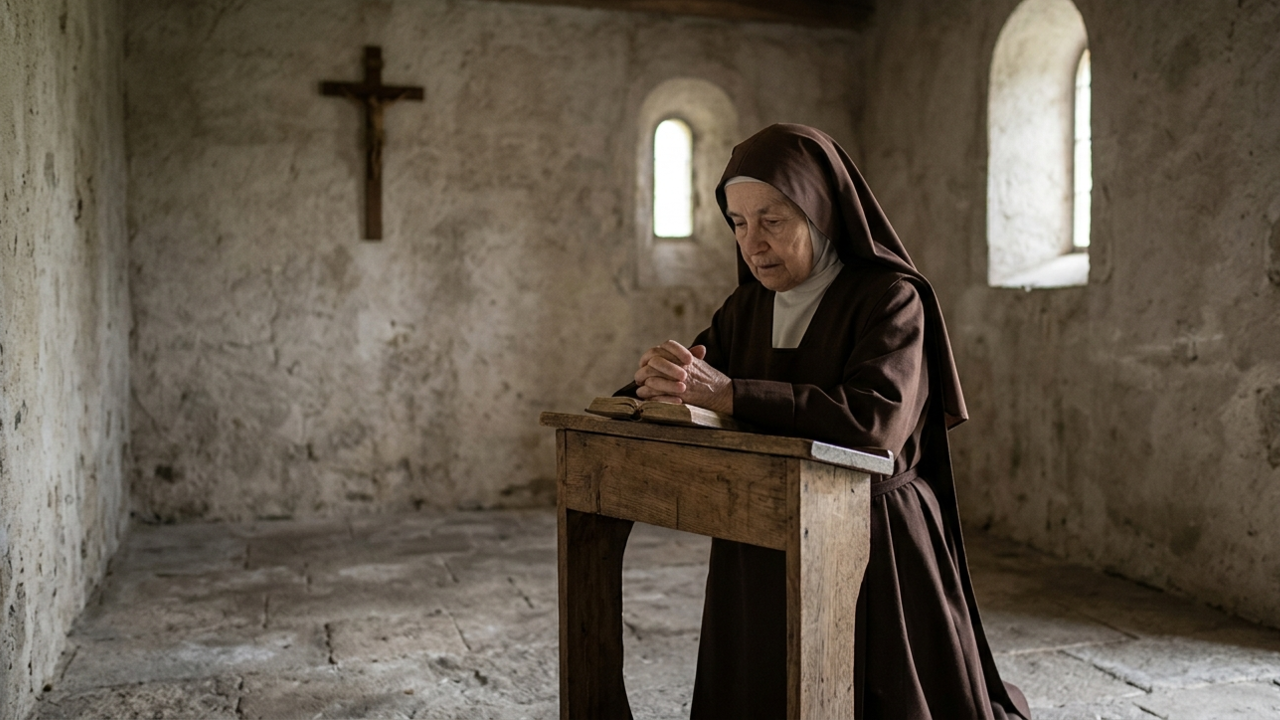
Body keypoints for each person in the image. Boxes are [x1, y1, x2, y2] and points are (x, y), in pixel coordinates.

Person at [625, 124, 1031, 720]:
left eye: (773, 220)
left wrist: (734, 394)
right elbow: (701, 381)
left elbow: (874, 423)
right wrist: (655, 379)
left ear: (820, 212)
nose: (752, 244)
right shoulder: (745, 309)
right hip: (760, 528)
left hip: (873, 540)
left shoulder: (891, 298)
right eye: (737, 223)